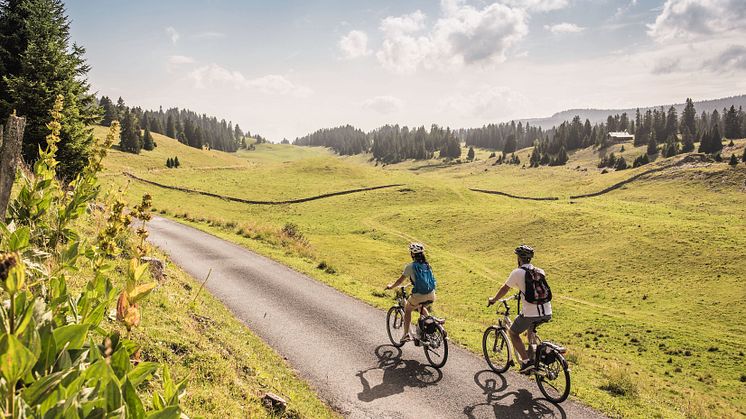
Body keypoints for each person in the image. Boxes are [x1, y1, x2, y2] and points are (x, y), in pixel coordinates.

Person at [487, 245, 552, 373]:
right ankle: (535, 356)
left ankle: (527, 362)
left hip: (531, 313)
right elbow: (534, 290)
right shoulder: (540, 271)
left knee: (513, 332)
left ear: (519, 258)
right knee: (530, 331)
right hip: (547, 311)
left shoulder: (517, 272)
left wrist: (493, 299)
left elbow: (505, 288)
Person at [385, 242, 437, 343]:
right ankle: (431, 326)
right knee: (420, 307)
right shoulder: (427, 265)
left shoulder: (411, 266)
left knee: (408, 309)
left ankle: (406, 334)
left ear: (412, 254)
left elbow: (400, 281)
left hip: (419, 295)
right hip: (431, 294)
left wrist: (391, 286)